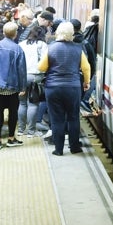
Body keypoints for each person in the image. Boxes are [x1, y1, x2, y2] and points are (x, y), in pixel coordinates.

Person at [39, 20, 90, 156]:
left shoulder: (51, 47)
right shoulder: (78, 48)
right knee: (73, 117)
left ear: (57, 33)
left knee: (57, 119)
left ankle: (59, 149)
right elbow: (86, 68)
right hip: (73, 87)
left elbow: (41, 67)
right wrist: (86, 82)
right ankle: (74, 147)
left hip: (53, 88)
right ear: (72, 33)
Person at [0, 21, 26, 149]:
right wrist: (23, 87)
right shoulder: (17, 49)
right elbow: (21, 69)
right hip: (13, 86)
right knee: (13, 112)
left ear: (3, 33)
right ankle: (11, 138)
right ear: (15, 34)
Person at [18, 24, 48, 136]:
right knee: (33, 104)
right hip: (35, 76)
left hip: (21, 77)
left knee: (22, 103)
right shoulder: (42, 45)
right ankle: (31, 131)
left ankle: (21, 130)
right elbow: (45, 62)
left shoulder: (21, 44)